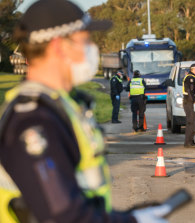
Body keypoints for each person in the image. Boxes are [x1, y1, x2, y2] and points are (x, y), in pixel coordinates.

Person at [0, 1, 170, 222]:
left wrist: (129, 216)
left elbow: (78, 199)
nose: (92, 48)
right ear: (59, 46)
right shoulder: (35, 121)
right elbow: (63, 215)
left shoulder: (61, 105)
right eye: (86, 40)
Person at [182, 63, 195, 148]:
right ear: (193, 69)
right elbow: (190, 92)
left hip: (190, 102)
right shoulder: (190, 78)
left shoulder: (193, 77)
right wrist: (194, 102)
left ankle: (190, 141)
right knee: (191, 122)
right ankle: (188, 142)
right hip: (189, 102)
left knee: (193, 122)